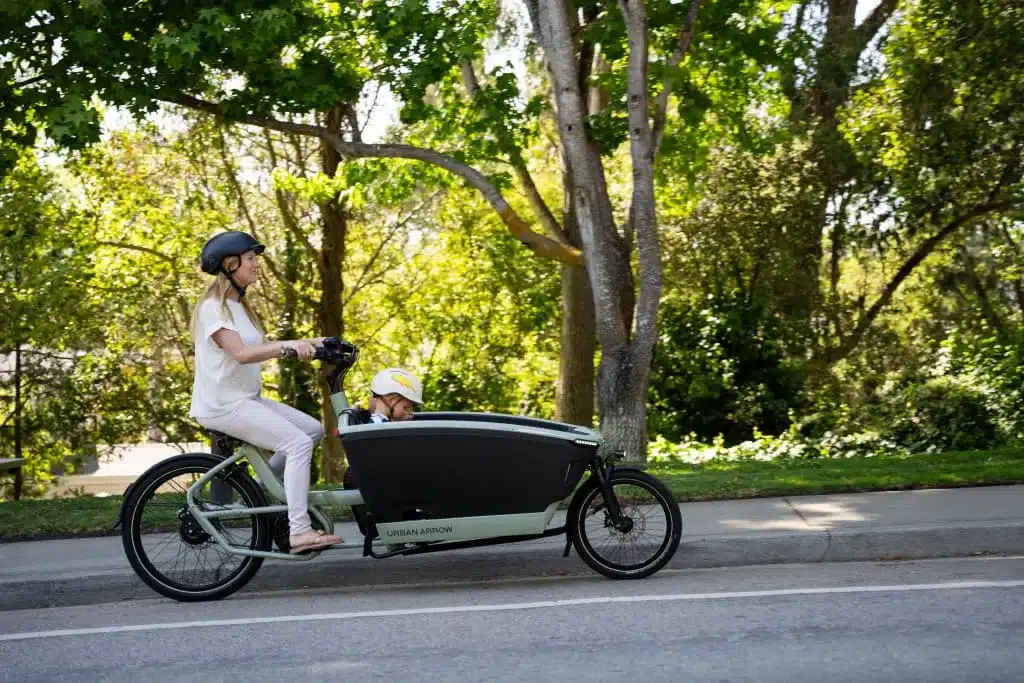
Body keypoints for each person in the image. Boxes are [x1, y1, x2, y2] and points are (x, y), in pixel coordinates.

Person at [187, 230, 341, 554]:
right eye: (251, 259)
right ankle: (299, 531)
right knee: (297, 444)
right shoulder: (213, 307)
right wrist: (288, 348)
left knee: (312, 430)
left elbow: (263, 347)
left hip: (245, 400)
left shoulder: (238, 306)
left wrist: (320, 343)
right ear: (231, 265)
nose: (256, 264)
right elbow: (241, 353)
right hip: (223, 405)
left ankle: (258, 490)